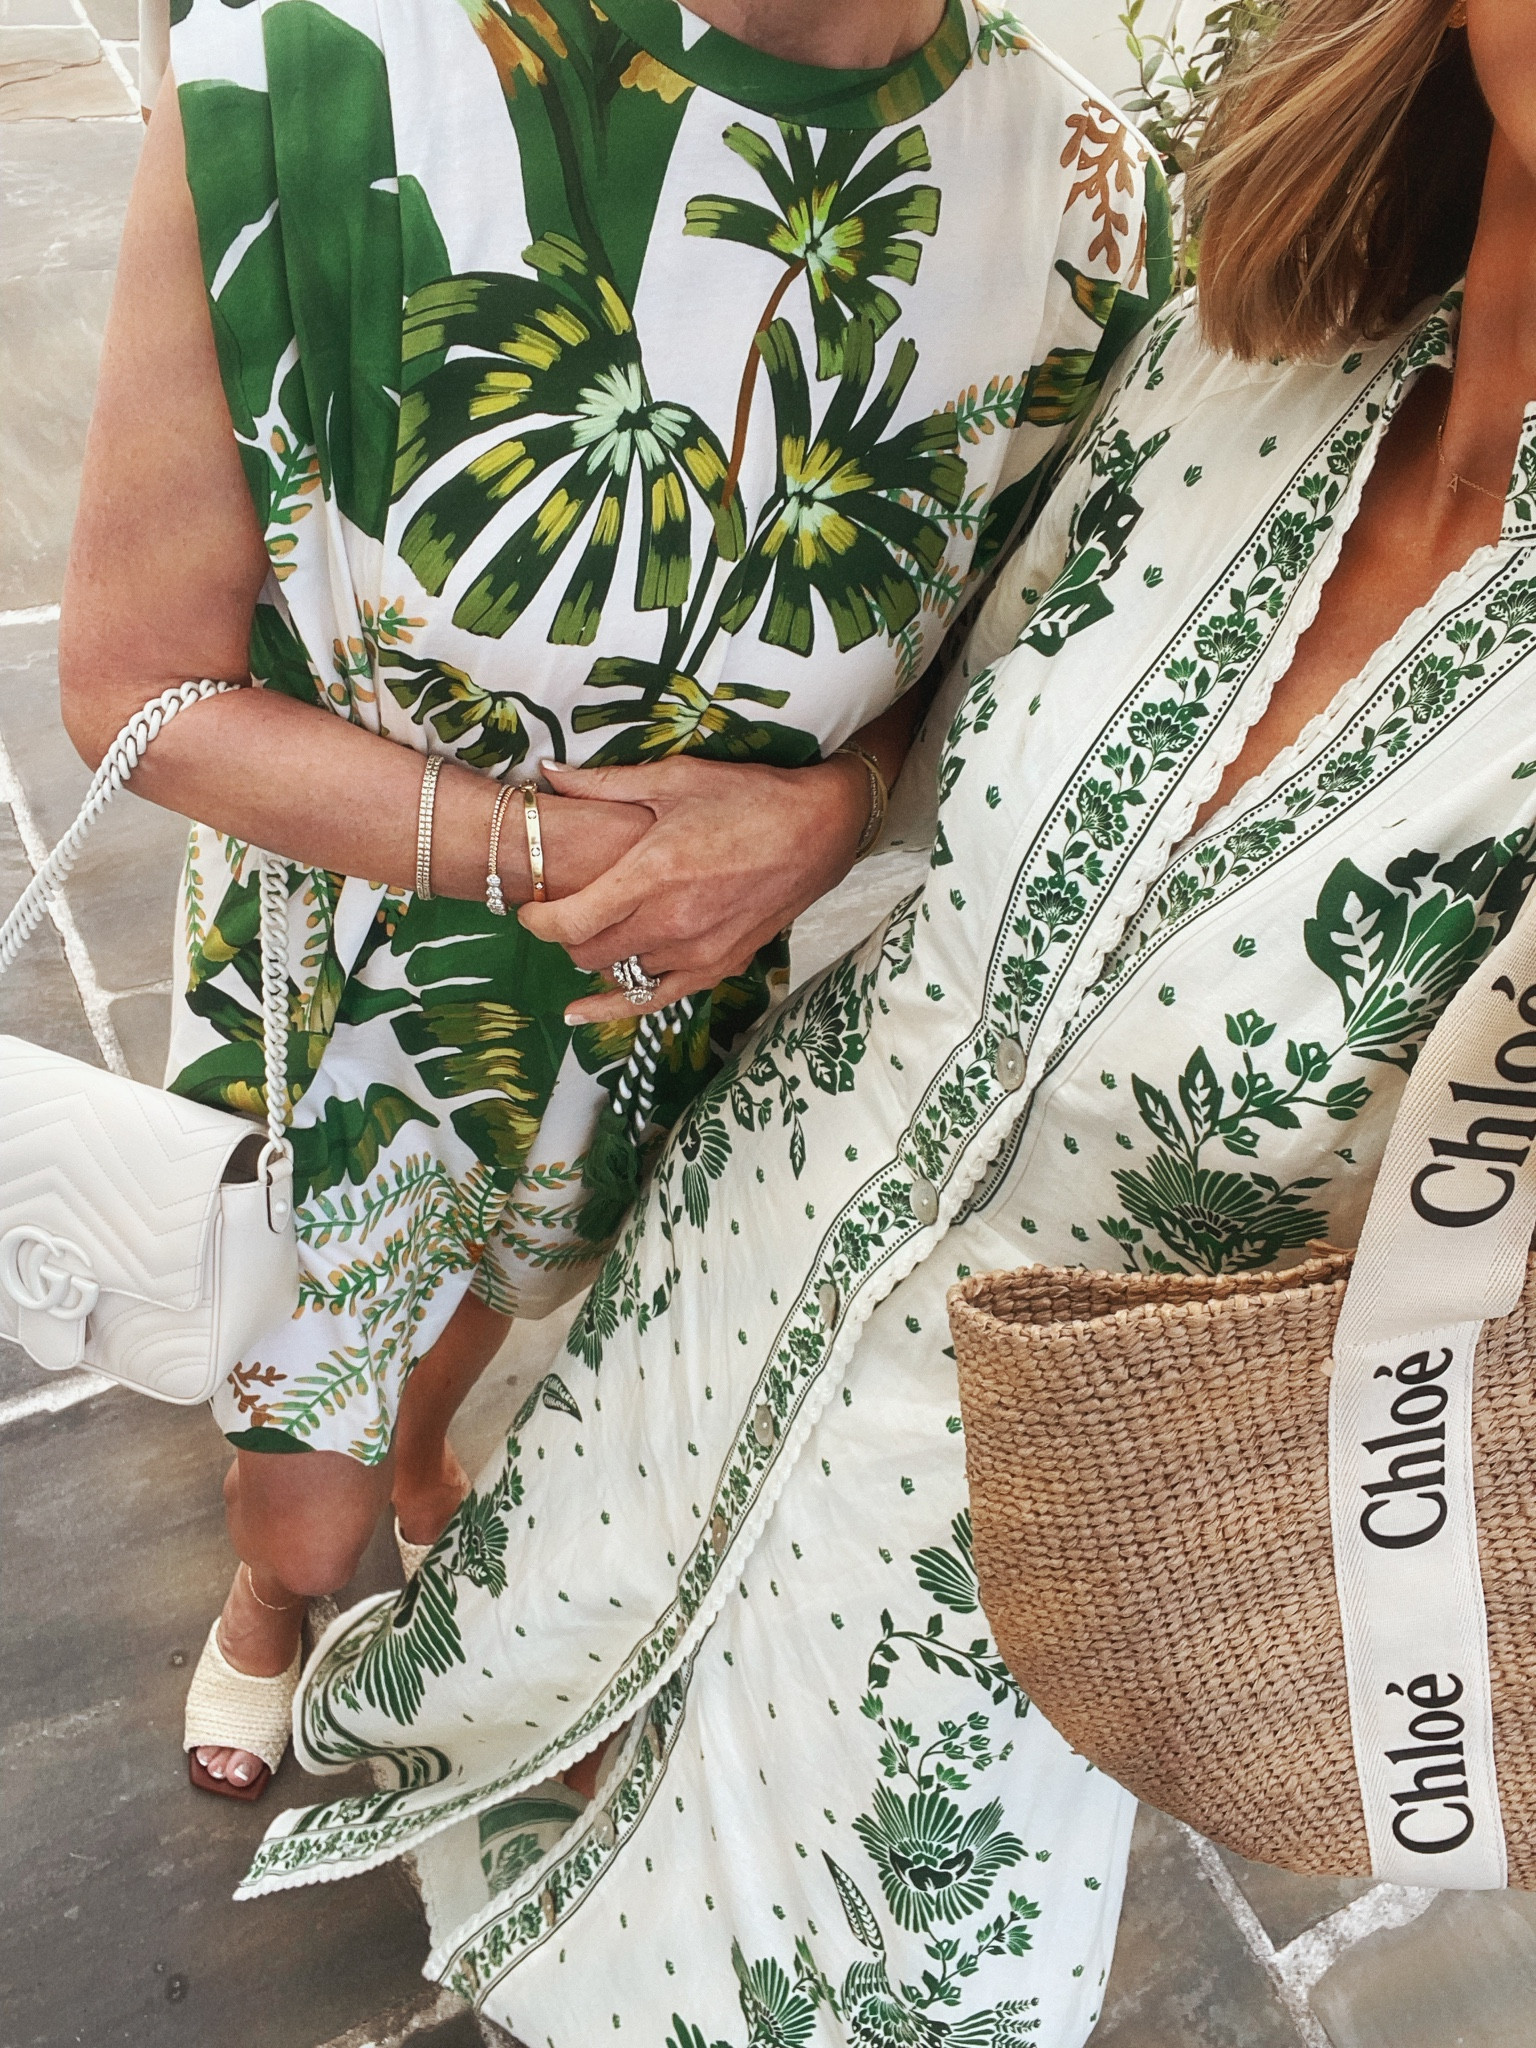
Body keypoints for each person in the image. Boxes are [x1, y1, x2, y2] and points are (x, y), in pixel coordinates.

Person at [213, 0, 1536, 2037]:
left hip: (1024, 1564)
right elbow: (969, 683)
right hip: (712, 1301)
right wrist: (827, 799)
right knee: (543, 1794)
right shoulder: (1254, 343)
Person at [58, 0, 1170, 1796]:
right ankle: (279, 1585)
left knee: (516, 1279)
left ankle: (428, 1461)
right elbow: (136, 690)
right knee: (303, 1450)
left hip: (666, 1003)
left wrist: (833, 810)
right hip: (349, 960)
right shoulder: (318, 75)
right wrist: (567, 855)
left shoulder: (1090, 202)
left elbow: (1013, 646)